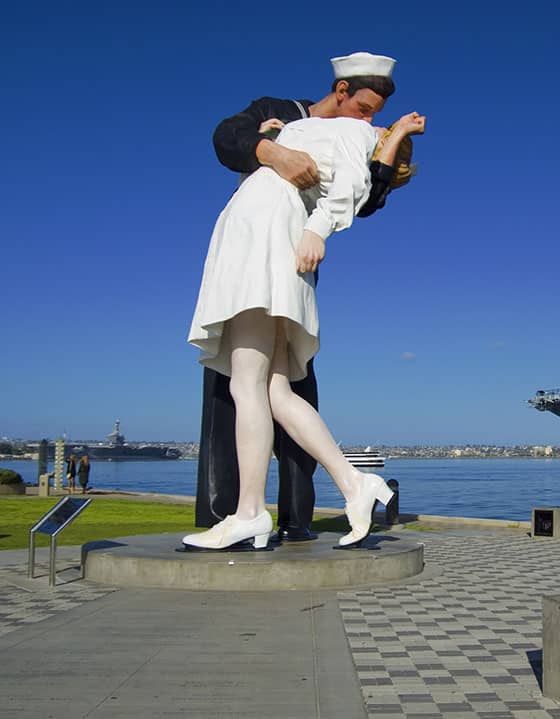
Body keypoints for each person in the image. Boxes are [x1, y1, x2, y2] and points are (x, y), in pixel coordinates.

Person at [184, 56, 425, 551]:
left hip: (265, 239)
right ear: (340, 90)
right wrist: (274, 139)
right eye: (362, 108)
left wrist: (318, 228)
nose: (366, 120)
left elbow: (361, 188)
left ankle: (250, 511)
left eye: (374, 117)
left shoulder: (357, 134)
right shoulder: (299, 121)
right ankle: (354, 483)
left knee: (248, 383)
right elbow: (229, 138)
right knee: (274, 390)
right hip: (268, 236)